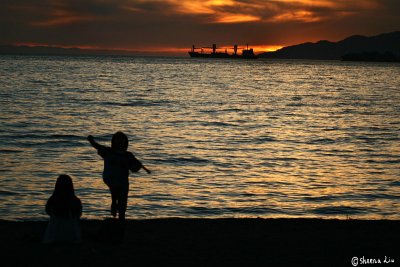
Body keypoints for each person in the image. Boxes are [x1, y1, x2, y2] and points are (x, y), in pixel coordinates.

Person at [88, 132, 150, 221]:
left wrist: (137, 166)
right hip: (111, 178)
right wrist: (91, 141)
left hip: (121, 181)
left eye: (122, 141)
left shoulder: (128, 155)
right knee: (116, 187)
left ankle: (121, 215)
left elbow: (134, 168)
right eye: (119, 141)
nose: (120, 143)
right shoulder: (109, 151)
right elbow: (97, 146)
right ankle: (115, 204)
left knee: (122, 200)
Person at [43, 174, 82, 244]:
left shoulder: (53, 199)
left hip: (53, 236)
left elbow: (47, 211)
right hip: (72, 237)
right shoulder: (75, 200)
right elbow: (78, 215)